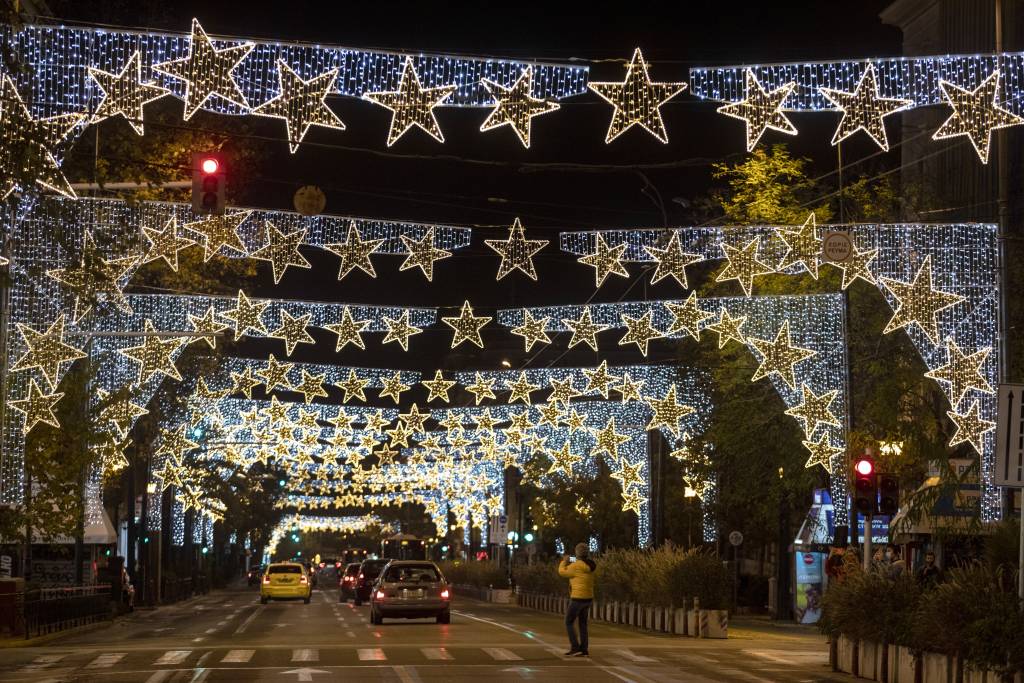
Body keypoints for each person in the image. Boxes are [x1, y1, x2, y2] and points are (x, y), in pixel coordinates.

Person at [558, 543, 596, 657]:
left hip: (577, 598)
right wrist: (571, 559)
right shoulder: (590, 564)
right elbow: (580, 561)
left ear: (577, 553)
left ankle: (575, 647)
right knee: (583, 624)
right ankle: (584, 649)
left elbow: (562, 572)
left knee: (568, 621)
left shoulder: (575, 566)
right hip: (588, 597)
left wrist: (564, 561)